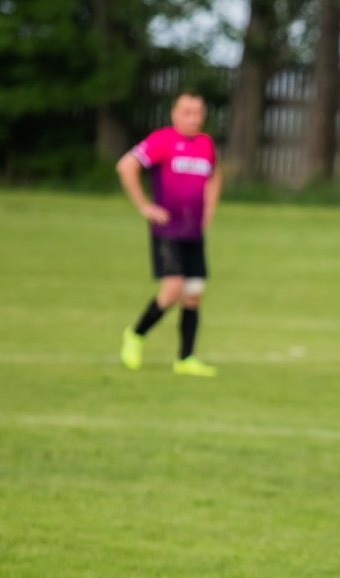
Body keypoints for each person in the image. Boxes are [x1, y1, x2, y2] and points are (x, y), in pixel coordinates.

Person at [116, 92, 221, 377]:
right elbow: (126, 165)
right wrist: (144, 206)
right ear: (174, 114)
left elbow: (214, 177)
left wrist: (208, 212)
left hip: (193, 231)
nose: (193, 118)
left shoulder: (205, 144)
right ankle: (136, 335)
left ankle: (185, 358)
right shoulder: (162, 140)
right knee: (173, 289)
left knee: (194, 294)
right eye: (187, 112)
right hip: (168, 230)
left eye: (198, 112)